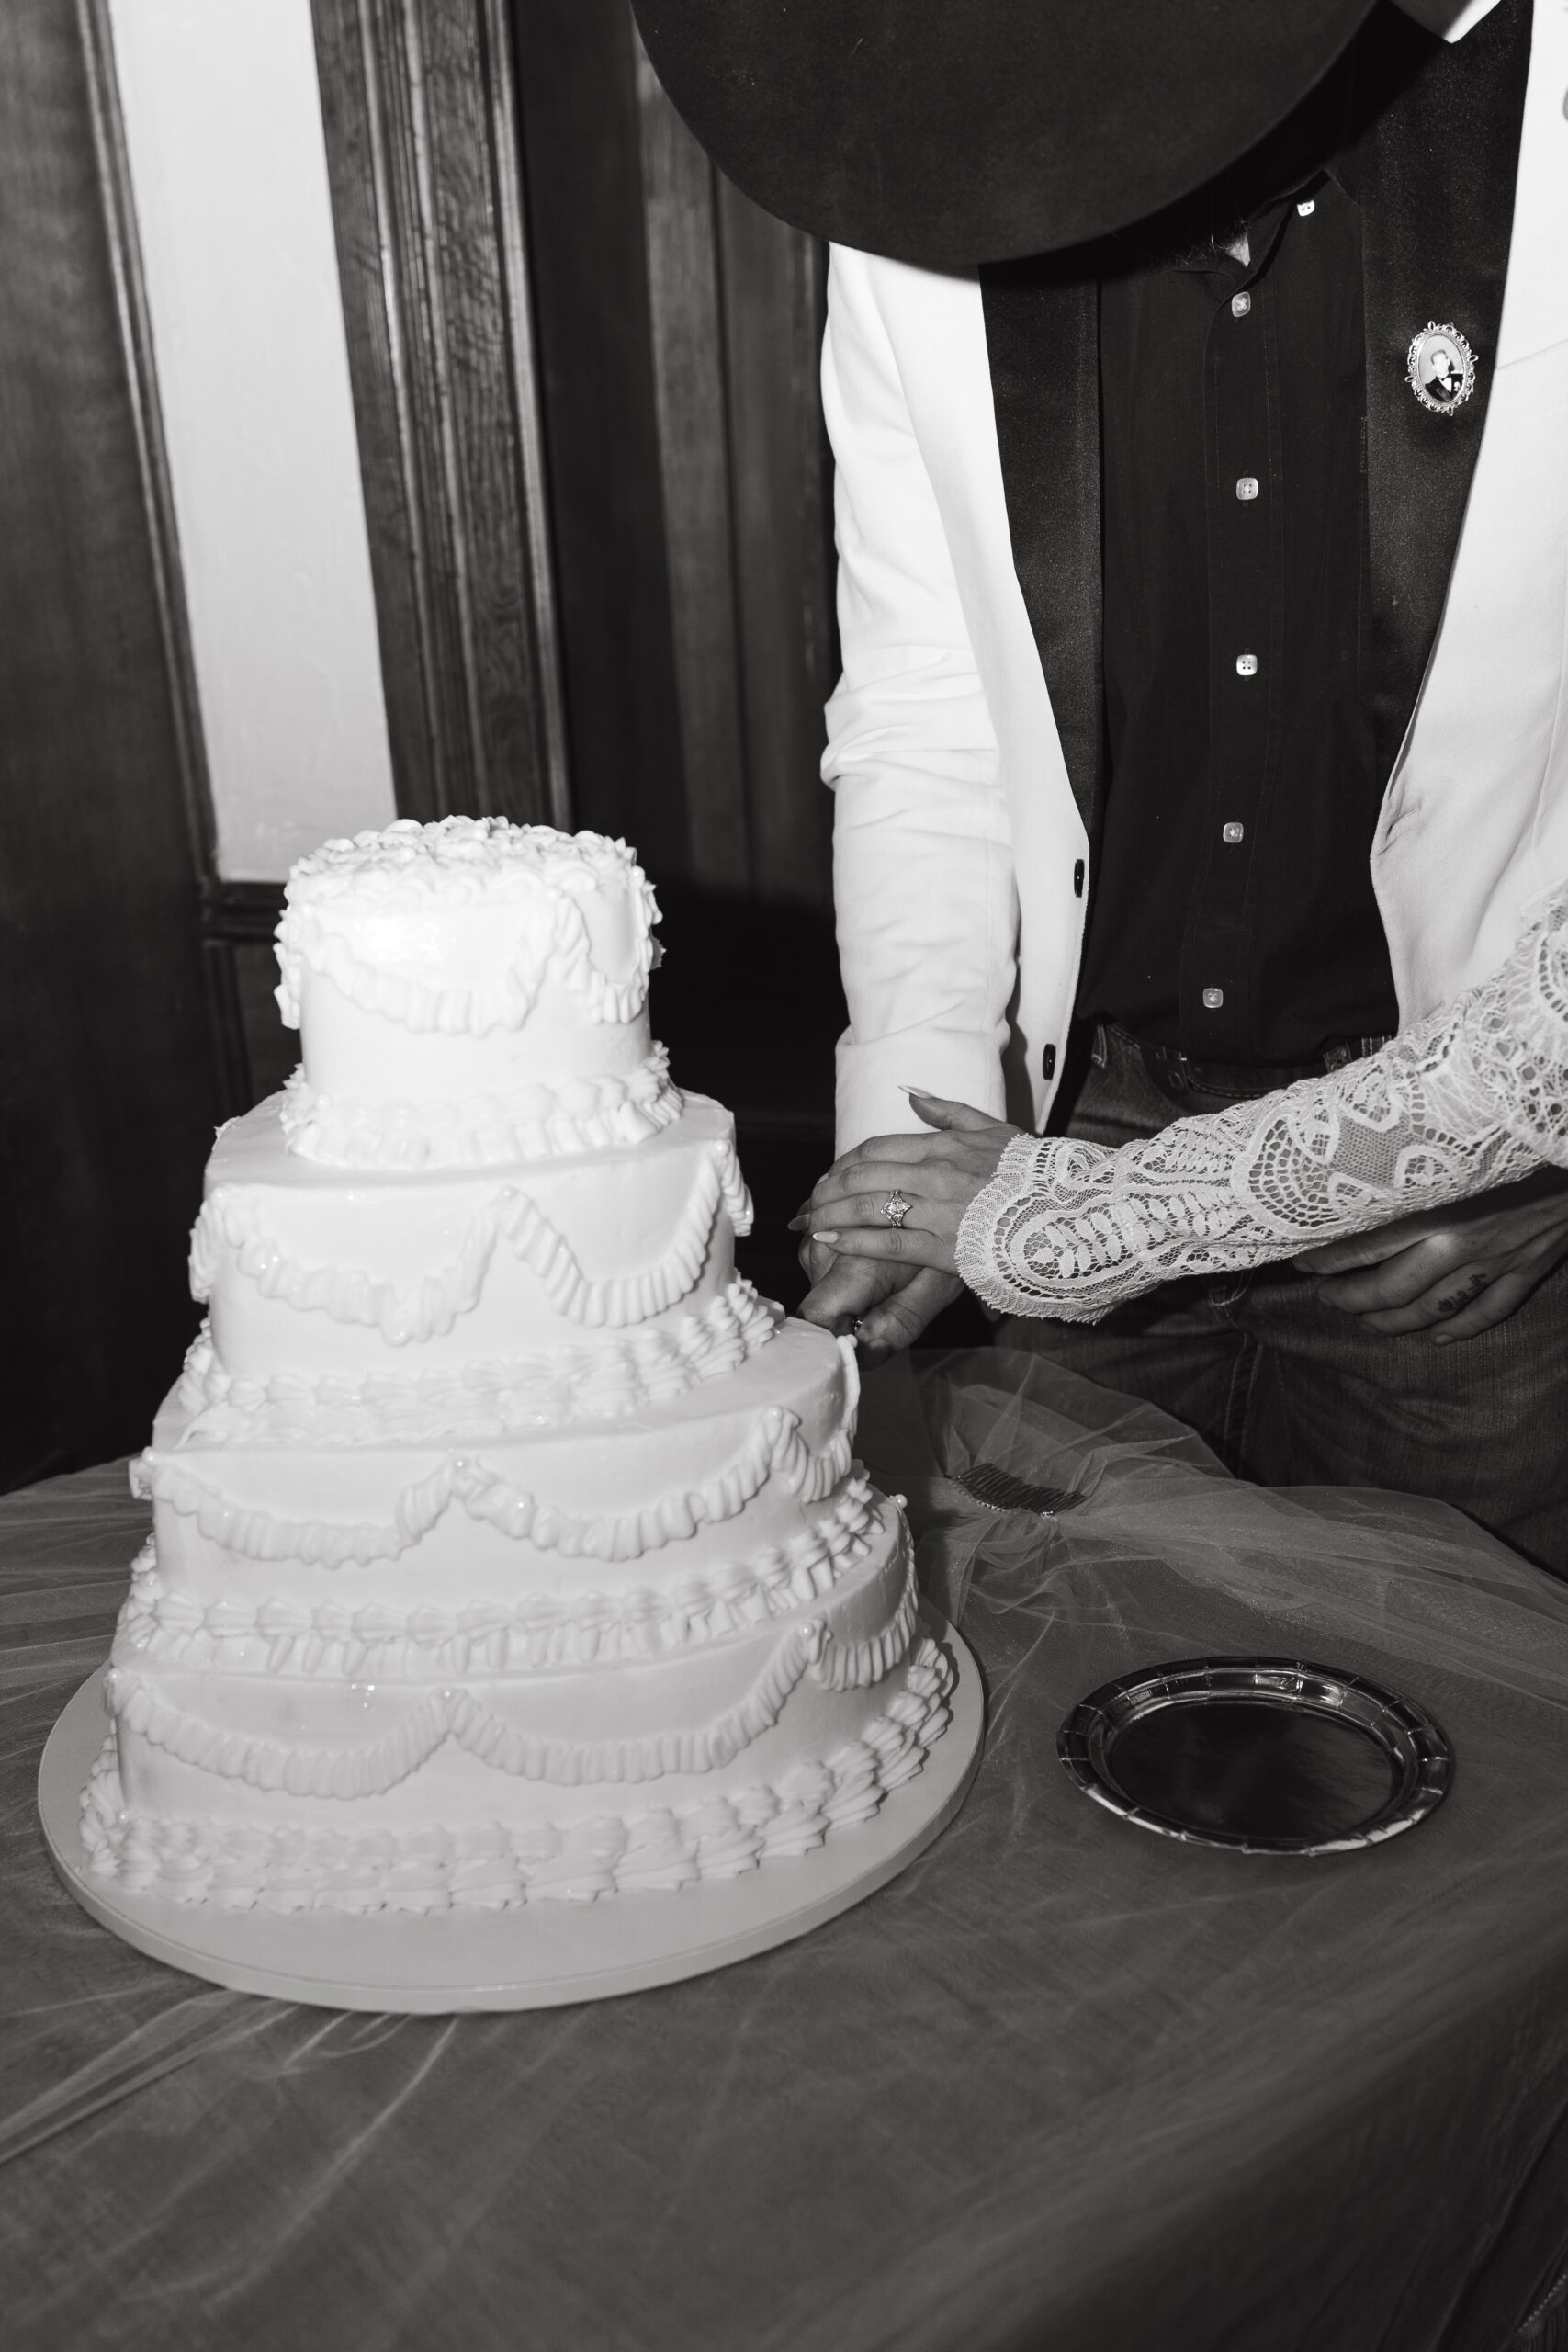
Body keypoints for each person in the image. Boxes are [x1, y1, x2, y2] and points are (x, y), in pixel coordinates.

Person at [636, 0, 1568, 1563]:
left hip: (1447, 1236)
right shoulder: (921, 200)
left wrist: (1537, 1148)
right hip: (1057, 1149)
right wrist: (913, 1137)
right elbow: (922, 708)